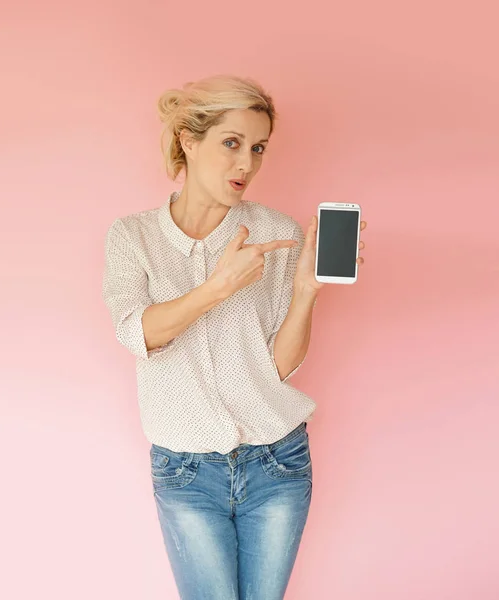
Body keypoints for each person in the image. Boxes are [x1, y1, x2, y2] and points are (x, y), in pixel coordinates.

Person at [102, 74, 366, 600]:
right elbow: (139, 334)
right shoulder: (132, 237)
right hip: (185, 470)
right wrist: (218, 286)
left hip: (277, 460)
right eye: (231, 144)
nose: (247, 164)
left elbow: (281, 366)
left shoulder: (276, 231)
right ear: (188, 140)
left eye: (259, 148)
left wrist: (305, 291)